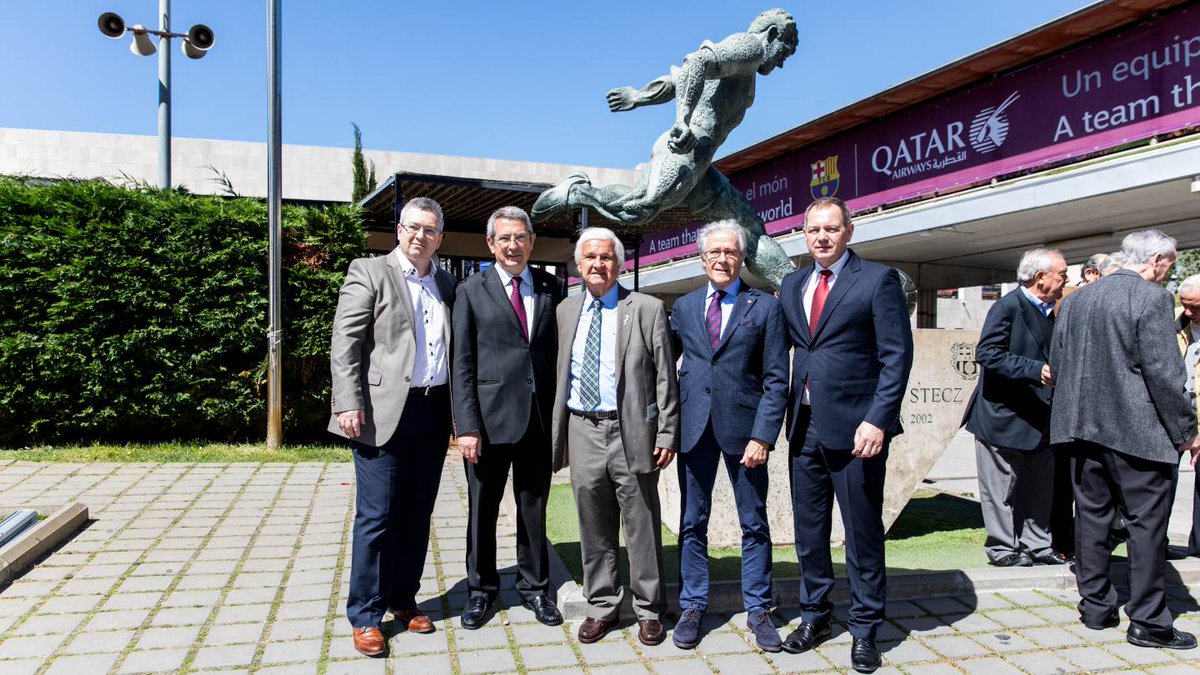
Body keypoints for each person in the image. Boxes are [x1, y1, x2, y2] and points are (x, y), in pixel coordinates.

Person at [531, 9, 799, 288]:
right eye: (784, 50)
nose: (781, 62)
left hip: (700, 162)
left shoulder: (746, 66)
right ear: (772, 35)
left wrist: (638, 96)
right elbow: (698, 62)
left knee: (749, 227)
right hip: (686, 148)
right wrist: (682, 121)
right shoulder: (752, 48)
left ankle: (791, 290)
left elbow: (680, 79)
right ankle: (577, 192)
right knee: (639, 208)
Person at [778, 197, 913, 673]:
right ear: (804, 234)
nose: (822, 237)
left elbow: (896, 356)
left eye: (831, 228)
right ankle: (815, 617)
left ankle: (865, 629)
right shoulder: (792, 284)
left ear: (848, 232)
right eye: (814, 229)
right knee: (809, 533)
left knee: (861, 533)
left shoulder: (877, 280)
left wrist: (877, 419)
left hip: (858, 431)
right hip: (804, 426)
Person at [1051, 230, 1200, 650]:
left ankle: (1096, 608)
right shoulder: (1152, 299)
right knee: (1146, 526)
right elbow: (1165, 375)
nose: (1167, 273)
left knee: (1092, 518)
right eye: (1169, 264)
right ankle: (1149, 622)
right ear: (1155, 260)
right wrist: (1187, 431)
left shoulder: (1077, 300)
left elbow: (1058, 366)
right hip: (1137, 434)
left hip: (1081, 430)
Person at [329, 197, 457, 657]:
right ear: (399, 230)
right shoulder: (369, 272)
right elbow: (345, 341)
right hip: (380, 413)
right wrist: (348, 402)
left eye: (429, 229)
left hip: (432, 411)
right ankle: (365, 615)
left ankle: (403, 598)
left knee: (417, 513)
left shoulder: (446, 282)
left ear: (440, 238)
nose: (420, 236)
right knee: (377, 516)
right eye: (413, 227)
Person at [549, 227, 679, 646]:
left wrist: (667, 433)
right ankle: (602, 604)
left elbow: (665, 377)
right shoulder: (565, 310)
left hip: (632, 431)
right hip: (582, 427)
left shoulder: (646, 309)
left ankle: (649, 609)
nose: (597, 264)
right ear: (578, 264)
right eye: (590, 257)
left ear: (619, 264)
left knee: (641, 522)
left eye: (606, 257)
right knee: (593, 523)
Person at [667, 220, 789, 652]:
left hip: (746, 434)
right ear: (702, 259)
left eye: (731, 252)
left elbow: (777, 379)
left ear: (742, 258)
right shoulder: (683, 307)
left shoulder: (766, 308)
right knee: (691, 522)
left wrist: (764, 436)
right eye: (714, 252)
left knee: (753, 523)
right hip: (694, 429)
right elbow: (663, 367)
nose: (722, 259)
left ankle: (758, 608)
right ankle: (692, 605)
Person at [451, 206, 567, 629]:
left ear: (532, 242)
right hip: (487, 422)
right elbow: (461, 361)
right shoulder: (470, 290)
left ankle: (535, 587)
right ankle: (481, 590)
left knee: (533, 507)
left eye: (520, 237)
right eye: (504, 238)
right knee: (482, 508)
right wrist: (466, 426)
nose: (513, 245)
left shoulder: (553, 287)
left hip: (538, 419)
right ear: (490, 244)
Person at [962, 248, 1070, 567]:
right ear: (1041, 277)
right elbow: (987, 354)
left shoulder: (1053, 311)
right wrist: (1036, 370)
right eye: (1062, 274)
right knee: (1000, 489)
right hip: (1003, 418)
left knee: (1040, 488)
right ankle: (1002, 548)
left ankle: (1038, 545)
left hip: (1041, 419)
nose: (1066, 280)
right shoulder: (1007, 307)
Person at [1172, 275, 1200, 557]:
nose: (1189, 312)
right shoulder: (1173, 324)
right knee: (1164, 485)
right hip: (1174, 418)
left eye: (1196, 307)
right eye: (1185, 305)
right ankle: (1155, 546)